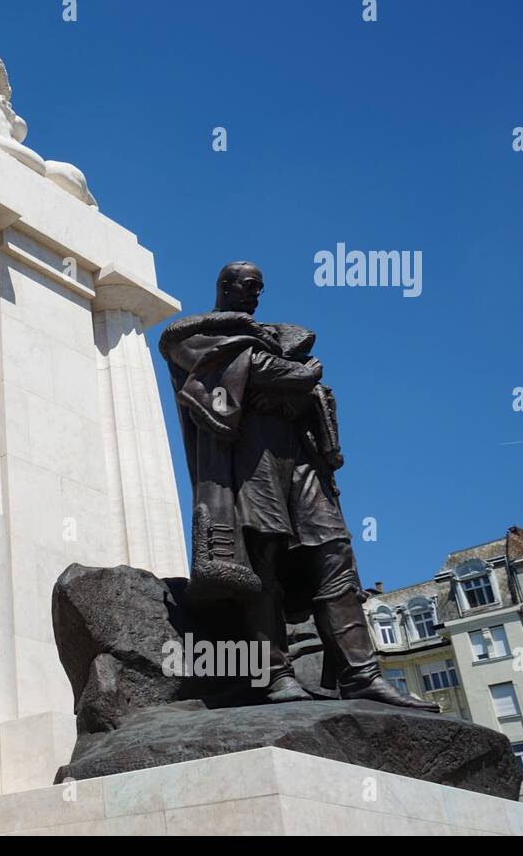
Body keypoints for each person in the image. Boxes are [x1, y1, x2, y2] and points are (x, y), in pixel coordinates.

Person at [158, 262, 437, 710]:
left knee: (334, 552)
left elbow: (287, 379)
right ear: (225, 286)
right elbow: (269, 373)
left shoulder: (267, 337)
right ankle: (275, 675)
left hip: (300, 456)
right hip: (252, 457)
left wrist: (292, 379)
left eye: (261, 288)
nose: (255, 295)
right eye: (248, 286)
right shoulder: (196, 334)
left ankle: (361, 675)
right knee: (261, 556)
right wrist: (298, 375)